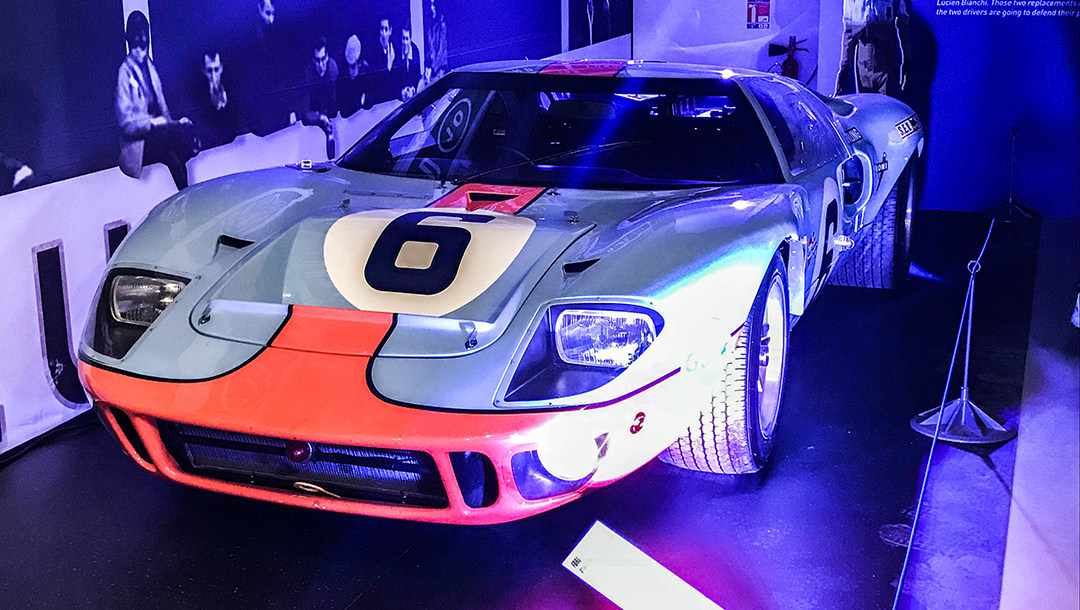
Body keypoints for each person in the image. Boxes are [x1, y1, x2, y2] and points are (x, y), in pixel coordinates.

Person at [115, 10, 196, 189]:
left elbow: (162, 109)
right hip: (138, 143)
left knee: (175, 150)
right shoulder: (124, 72)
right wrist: (151, 123)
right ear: (130, 42)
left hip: (158, 135)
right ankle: (187, 191)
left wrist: (176, 123)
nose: (141, 51)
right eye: (137, 45)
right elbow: (126, 123)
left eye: (144, 45)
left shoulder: (150, 66)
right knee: (171, 145)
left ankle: (186, 193)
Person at [835, 0, 911, 97]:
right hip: (864, 61)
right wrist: (844, 67)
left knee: (886, 102)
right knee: (866, 101)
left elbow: (903, 23)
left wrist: (907, 59)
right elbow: (848, 32)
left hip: (885, 59)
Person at [241, 0, 289, 135]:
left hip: (273, 82)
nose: (271, 19)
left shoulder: (275, 29)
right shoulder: (249, 32)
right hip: (258, 85)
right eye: (268, 13)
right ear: (259, 9)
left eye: (273, 13)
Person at [301, 35, 339, 159]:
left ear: (327, 57)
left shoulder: (333, 68)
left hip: (328, 112)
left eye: (323, 59)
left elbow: (334, 104)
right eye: (318, 60)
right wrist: (321, 117)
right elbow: (305, 113)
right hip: (314, 113)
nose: (321, 64)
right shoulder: (307, 72)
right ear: (313, 60)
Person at [194, 51, 238, 149]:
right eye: (209, 70)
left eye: (216, 69)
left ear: (221, 68)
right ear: (203, 71)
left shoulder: (233, 86)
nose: (213, 75)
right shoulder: (198, 94)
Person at [339, 34, 369, 116]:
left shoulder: (365, 70)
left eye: (353, 50)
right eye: (349, 50)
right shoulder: (342, 73)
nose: (351, 53)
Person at [394, 26, 422, 101]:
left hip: (412, 93)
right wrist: (401, 91)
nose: (405, 42)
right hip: (400, 95)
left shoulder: (415, 50)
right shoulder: (397, 52)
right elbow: (394, 79)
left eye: (407, 39)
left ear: (410, 39)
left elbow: (417, 74)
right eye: (403, 38)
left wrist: (413, 88)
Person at [425, 0, 448, 84]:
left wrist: (434, 67)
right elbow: (430, 48)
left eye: (433, 5)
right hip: (432, 68)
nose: (432, 8)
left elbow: (442, 48)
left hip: (440, 69)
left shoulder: (442, 24)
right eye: (431, 5)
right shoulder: (430, 25)